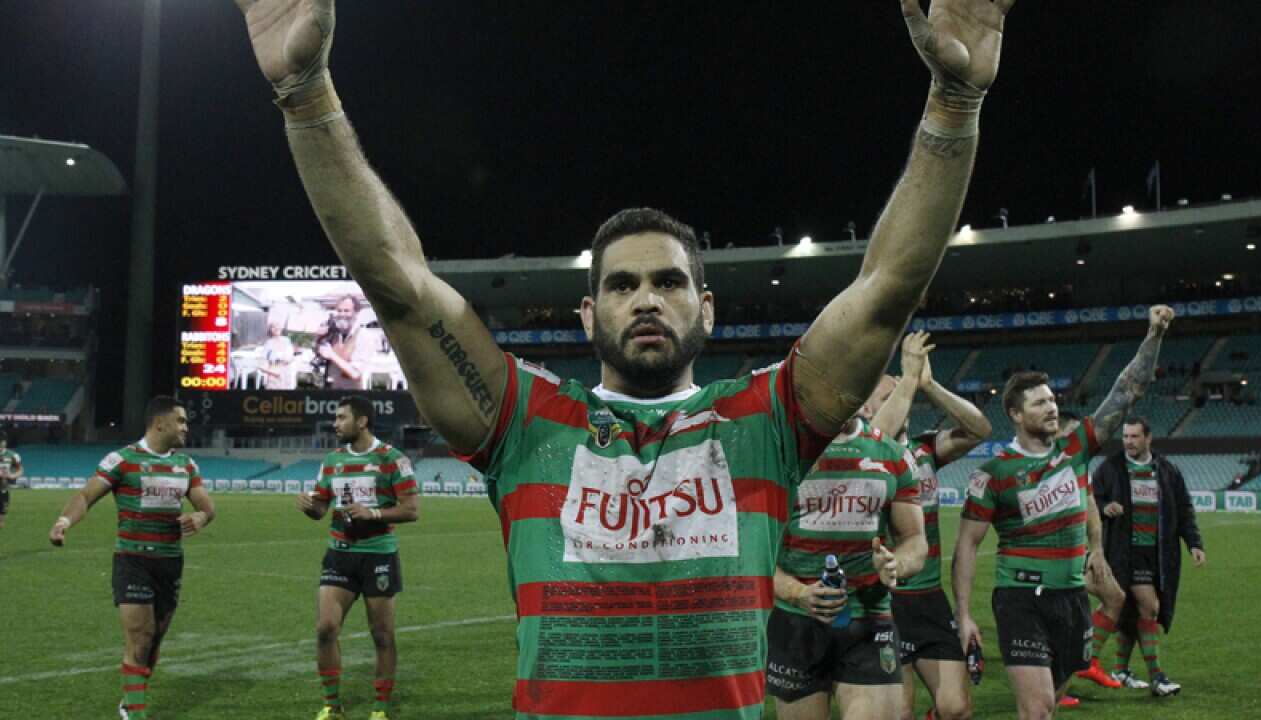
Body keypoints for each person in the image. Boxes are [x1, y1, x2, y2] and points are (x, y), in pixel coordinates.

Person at [234, 0, 1015, 716]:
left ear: (705, 309)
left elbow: (888, 289)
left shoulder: (766, 419)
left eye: (670, 282)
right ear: (588, 313)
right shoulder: (523, 421)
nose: (646, 299)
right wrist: (305, 93)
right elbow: (397, 284)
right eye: (621, 285)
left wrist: (956, 104)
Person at [952, 305, 1174, 720]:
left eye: (1053, 400)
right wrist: (963, 615)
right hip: (1020, 598)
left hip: (1072, 599)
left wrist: (1154, 335)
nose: (1052, 408)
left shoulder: (1075, 450)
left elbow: (1127, 391)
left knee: (1048, 706)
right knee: (1036, 710)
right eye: (1039, 403)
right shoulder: (994, 473)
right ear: (1016, 415)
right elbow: (966, 547)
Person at [768, 376, 927, 720]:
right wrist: (798, 593)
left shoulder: (893, 455)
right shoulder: (780, 453)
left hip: (869, 620)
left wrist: (896, 564)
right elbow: (754, 555)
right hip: (796, 623)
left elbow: (915, 540)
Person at [47, 396, 216, 720]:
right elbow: (85, 495)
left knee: (153, 642)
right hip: (133, 560)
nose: (185, 427)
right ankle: (135, 714)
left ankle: (130, 699)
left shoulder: (186, 465)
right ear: (159, 423)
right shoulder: (122, 460)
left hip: (170, 562)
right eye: (180, 421)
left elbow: (206, 507)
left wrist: (202, 518)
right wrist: (64, 521)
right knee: (139, 637)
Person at [870, 331, 992, 720]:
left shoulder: (924, 451)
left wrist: (928, 385)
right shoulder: (863, 456)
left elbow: (979, 430)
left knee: (955, 708)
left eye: (902, 391)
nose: (901, 397)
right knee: (898, 713)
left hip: (929, 599)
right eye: (889, 393)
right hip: (884, 602)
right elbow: (879, 440)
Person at [296, 396, 419, 720]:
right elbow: (322, 507)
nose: (335, 424)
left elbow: (411, 510)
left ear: (361, 421)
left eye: (340, 418)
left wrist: (373, 512)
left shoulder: (392, 459)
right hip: (339, 555)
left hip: (378, 555)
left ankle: (380, 707)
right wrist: (312, 508)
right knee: (325, 628)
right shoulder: (332, 460)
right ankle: (331, 705)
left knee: (381, 634)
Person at [1092, 416, 1205, 697]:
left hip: (1157, 554)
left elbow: (1183, 509)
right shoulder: (1111, 468)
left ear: (1148, 438)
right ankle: (1156, 676)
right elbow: (1091, 499)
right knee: (1150, 607)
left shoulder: (1167, 471)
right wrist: (1105, 507)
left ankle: (1120, 669)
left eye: (1134, 436)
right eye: (1126, 437)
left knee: (1132, 612)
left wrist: (1194, 542)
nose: (1128, 442)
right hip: (1123, 552)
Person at [315, 295, 374, 390]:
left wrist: (331, 355)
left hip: (351, 393)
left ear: (356, 312)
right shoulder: (333, 333)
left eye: (346, 311)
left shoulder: (364, 336)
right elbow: (318, 357)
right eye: (339, 310)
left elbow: (355, 374)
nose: (342, 314)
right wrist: (318, 339)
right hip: (329, 389)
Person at [261, 320, 298, 389]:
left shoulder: (286, 340)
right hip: (275, 373)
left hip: (287, 372)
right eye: (273, 327)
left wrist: (289, 359)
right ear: (270, 330)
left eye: (278, 326)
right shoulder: (268, 343)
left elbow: (291, 355)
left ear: (281, 328)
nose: (276, 328)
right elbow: (264, 359)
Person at [0, 431, 23, 530]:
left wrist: (12, 476)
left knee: (1, 518)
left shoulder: (13, 455)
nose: (1, 443)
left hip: (3, 489)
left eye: (2, 441)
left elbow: (20, 469)